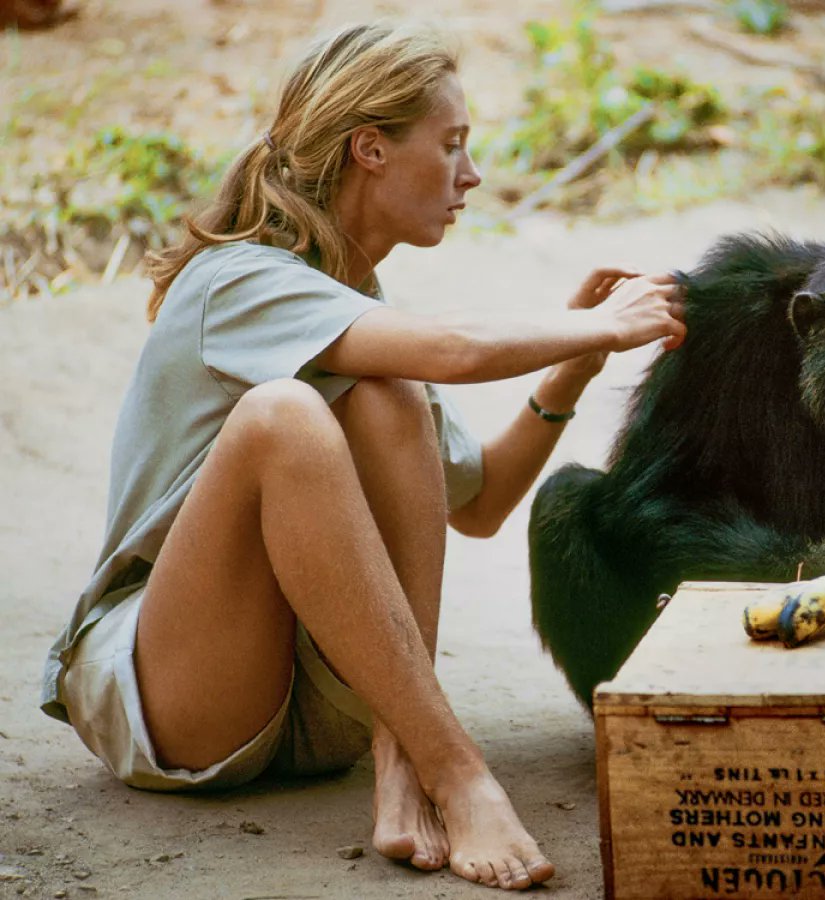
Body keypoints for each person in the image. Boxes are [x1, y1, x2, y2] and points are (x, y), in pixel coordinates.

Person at [40, 22, 685, 892]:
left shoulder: (356, 310)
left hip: (319, 713)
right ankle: (453, 769)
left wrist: (577, 363)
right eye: (451, 145)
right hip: (180, 700)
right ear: (370, 148)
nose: (471, 174)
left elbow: (481, 502)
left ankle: (401, 758)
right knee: (285, 417)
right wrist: (598, 323)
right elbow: (454, 349)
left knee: (389, 393)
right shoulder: (237, 280)